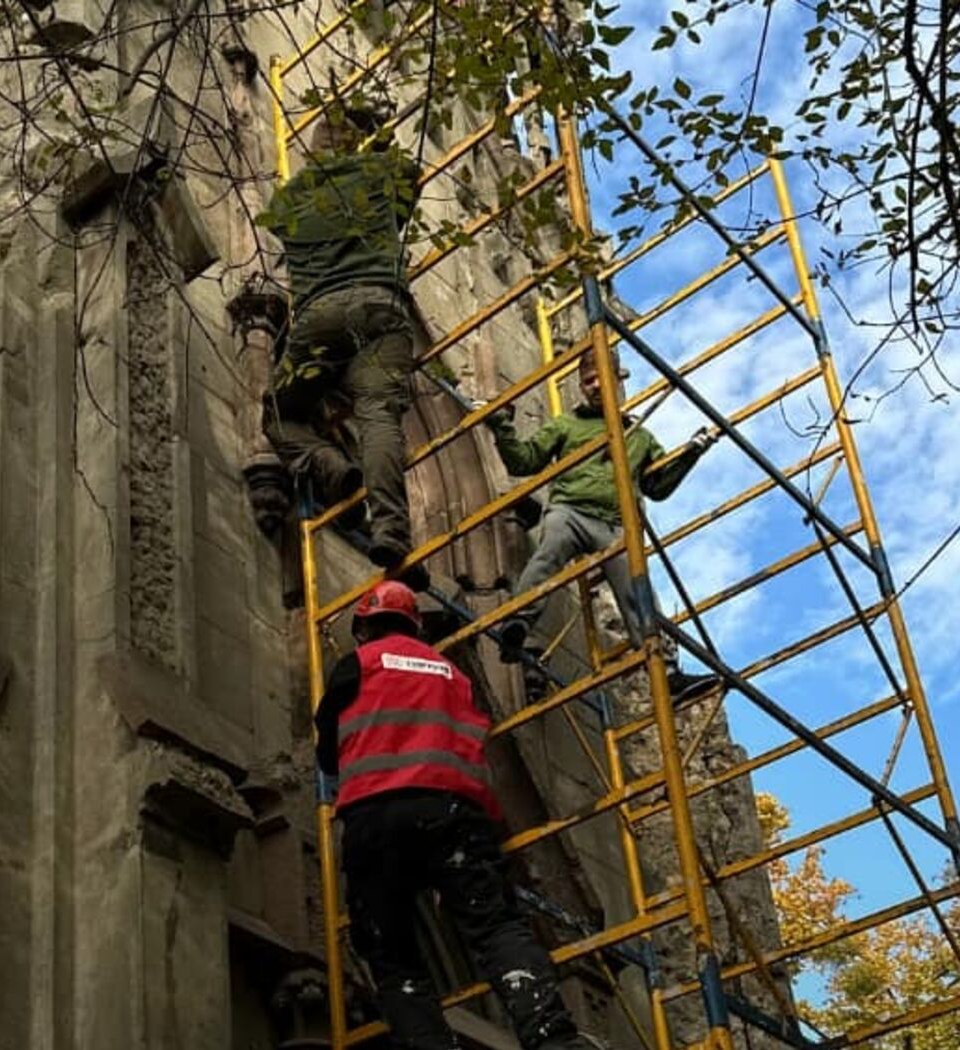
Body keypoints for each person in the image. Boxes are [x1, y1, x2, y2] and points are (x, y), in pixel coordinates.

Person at [315, 580, 595, 1050]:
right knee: (495, 926)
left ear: (364, 627)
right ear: (414, 625)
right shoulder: (451, 672)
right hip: (454, 814)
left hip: (377, 816)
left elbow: (327, 751)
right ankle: (552, 1036)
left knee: (391, 950)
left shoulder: (357, 664)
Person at [483, 349, 719, 698]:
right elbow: (524, 462)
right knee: (548, 554)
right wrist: (501, 426)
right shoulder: (568, 424)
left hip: (614, 524)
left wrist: (691, 453)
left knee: (638, 593)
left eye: (600, 379)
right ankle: (517, 622)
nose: (594, 387)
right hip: (571, 510)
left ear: (619, 381)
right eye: (587, 381)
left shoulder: (638, 435)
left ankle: (666, 673)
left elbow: (658, 487)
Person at [256, 103, 427, 585]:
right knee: (379, 417)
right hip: (378, 308)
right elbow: (412, 180)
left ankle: (332, 467)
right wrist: (383, 142)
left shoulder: (292, 198)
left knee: (278, 413)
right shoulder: (380, 174)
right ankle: (392, 530)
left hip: (319, 319)